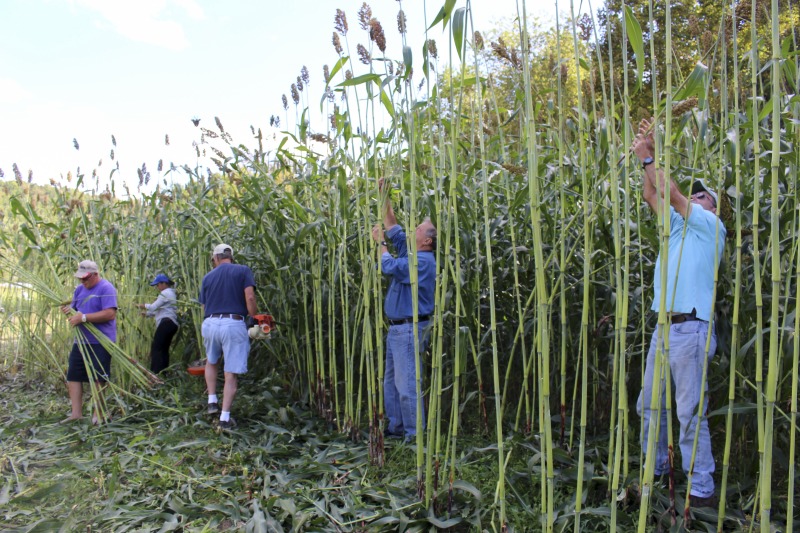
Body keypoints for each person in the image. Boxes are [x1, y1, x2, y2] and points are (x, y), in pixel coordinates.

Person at [633, 117, 726, 507]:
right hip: (665, 329)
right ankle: (656, 470)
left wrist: (651, 156)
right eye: (696, 194)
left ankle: (701, 488)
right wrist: (644, 159)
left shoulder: (710, 227)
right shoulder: (676, 228)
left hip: (691, 328)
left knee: (689, 412)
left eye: (704, 195)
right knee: (648, 406)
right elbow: (654, 197)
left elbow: (670, 193)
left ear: (714, 208)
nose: (697, 196)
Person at [371, 179, 437, 442]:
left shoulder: (422, 261)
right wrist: (384, 195)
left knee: (407, 385)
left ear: (427, 241)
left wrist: (381, 244)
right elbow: (393, 226)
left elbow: (387, 266)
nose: (414, 229)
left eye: (419, 228)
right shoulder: (414, 253)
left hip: (410, 329)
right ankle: (396, 427)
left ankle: (414, 436)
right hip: (398, 328)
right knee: (391, 383)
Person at [199, 243, 258, 431]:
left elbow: (204, 307)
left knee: (211, 361)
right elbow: (249, 297)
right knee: (230, 372)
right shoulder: (242, 271)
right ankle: (224, 418)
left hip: (210, 322)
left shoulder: (208, 277)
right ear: (231, 256)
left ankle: (211, 401)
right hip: (233, 323)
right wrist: (254, 319)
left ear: (216, 258)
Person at [60, 260, 118, 424]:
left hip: (101, 341)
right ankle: (76, 414)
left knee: (98, 378)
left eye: (85, 278)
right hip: (81, 341)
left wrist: (84, 317)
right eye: (80, 279)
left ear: (95, 274)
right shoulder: (79, 290)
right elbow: (74, 312)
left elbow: (110, 314)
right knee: (74, 375)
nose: (82, 282)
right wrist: (68, 312)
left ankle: (98, 414)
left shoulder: (106, 288)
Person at [136, 274, 179, 374]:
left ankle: (155, 373)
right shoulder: (171, 294)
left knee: (156, 348)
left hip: (166, 323)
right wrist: (146, 314)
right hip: (171, 324)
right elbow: (158, 311)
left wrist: (140, 305)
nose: (157, 287)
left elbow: (153, 307)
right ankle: (164, 372)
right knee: (163, 349)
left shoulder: (165, 293)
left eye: (158, 285)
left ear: (164, 283)